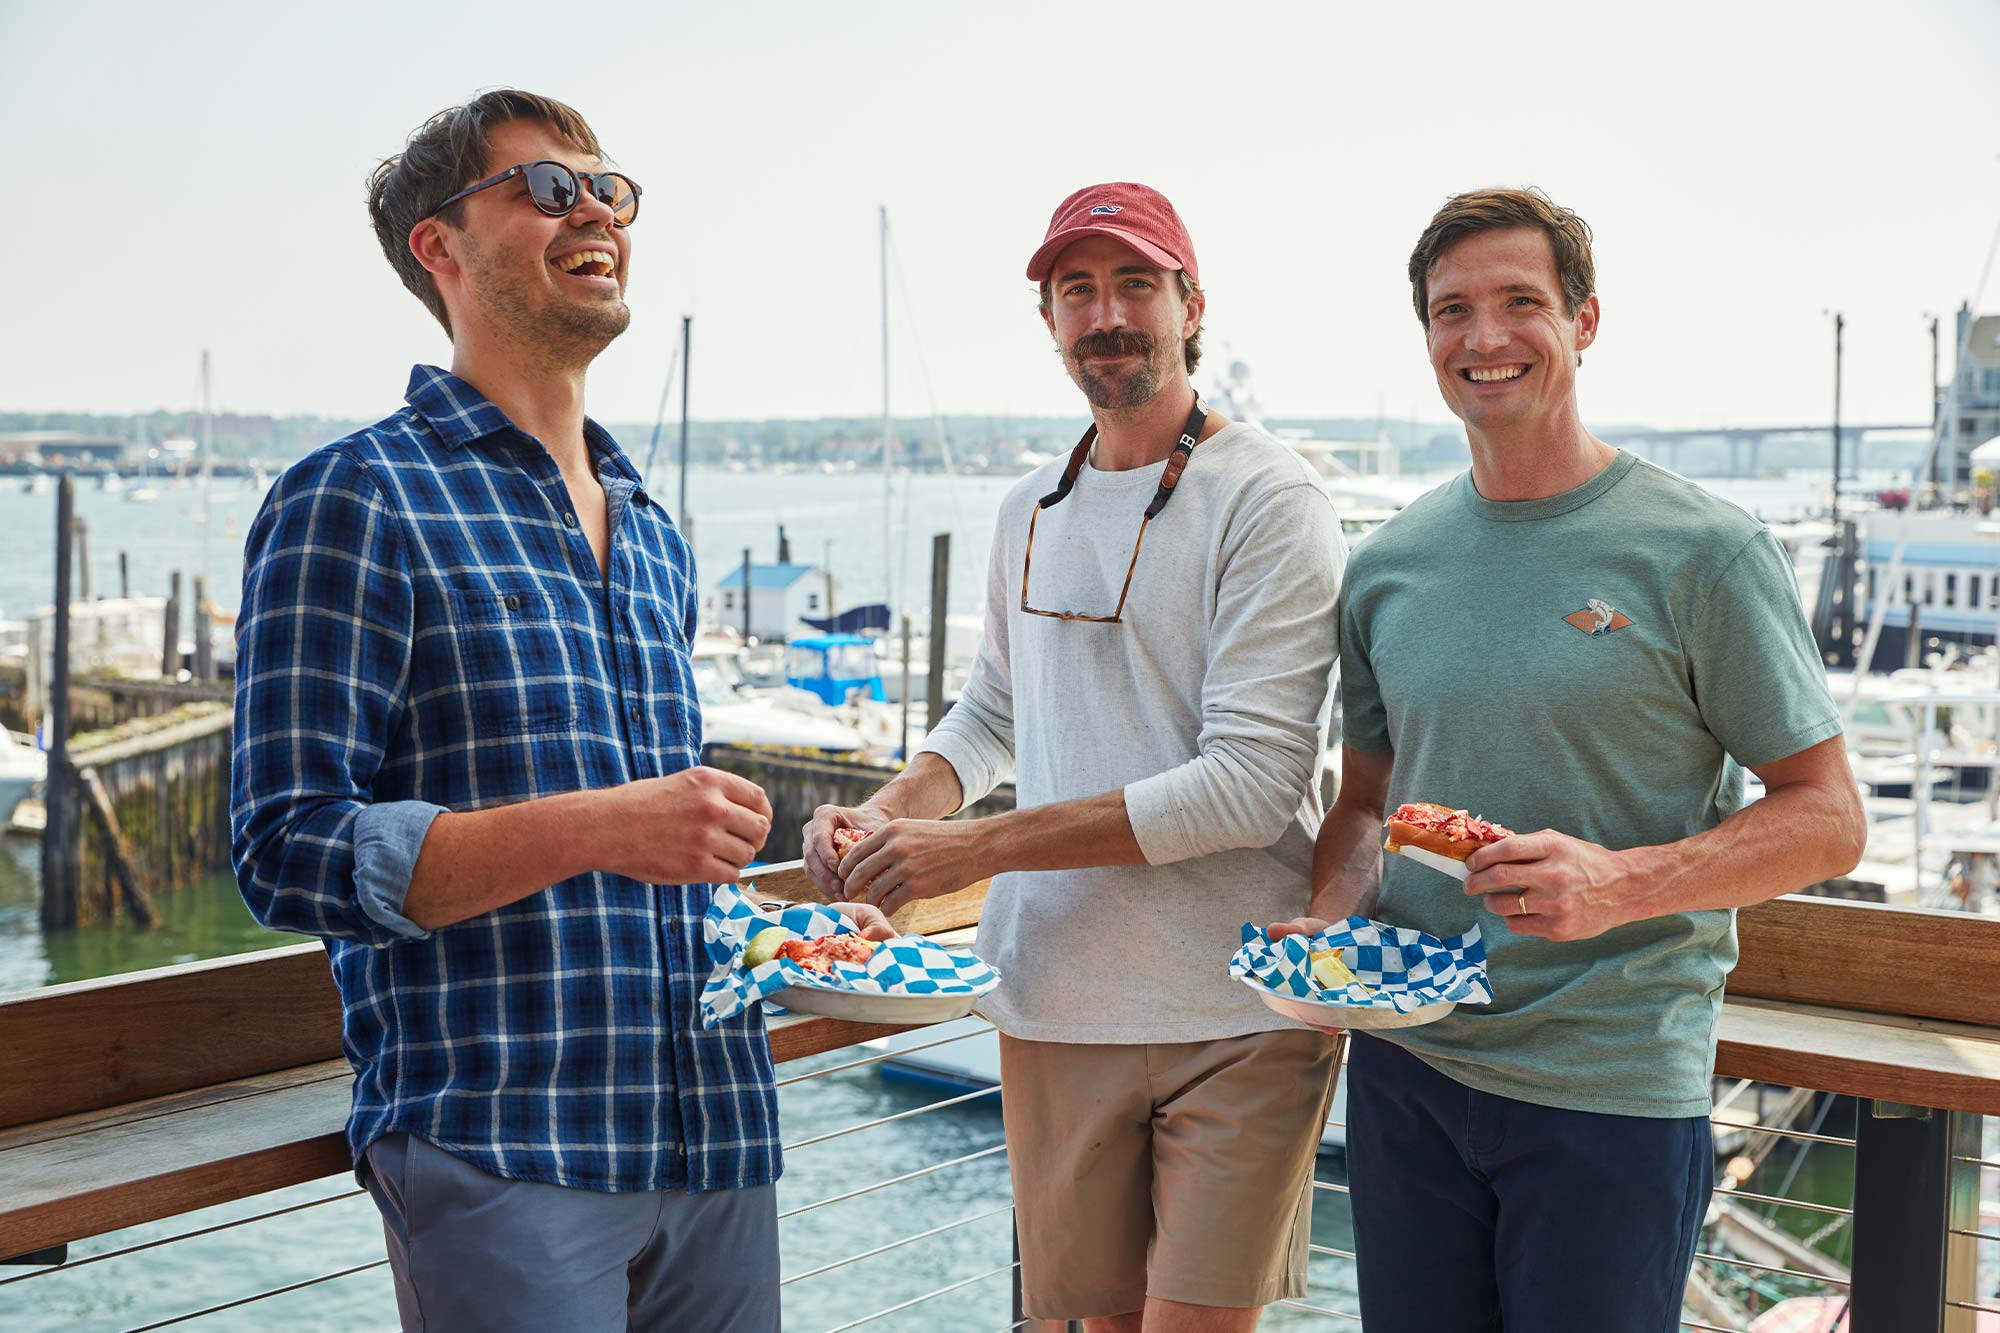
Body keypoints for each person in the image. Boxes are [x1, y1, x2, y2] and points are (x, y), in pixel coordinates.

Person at [230, 89, 889, 1332]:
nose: (592, 208)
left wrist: (784, 931)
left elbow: (655, 858)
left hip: (714, 1133)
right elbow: (284, 847)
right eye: (544, 189)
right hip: (501, 1146)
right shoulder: (355, 496)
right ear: (440, 246)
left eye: (607, 188)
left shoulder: (650, 528)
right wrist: (592, 827)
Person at [1273, 187, 1867, 1331]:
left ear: (1583, 321)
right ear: (1427, 339)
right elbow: (1363, 804)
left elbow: (1828, 816)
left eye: (1518, 303)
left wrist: (1615, 884)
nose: (1483, 338)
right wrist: (1334, 927)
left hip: (1610, 1086)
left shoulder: (1702, 551)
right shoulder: (1388, 562)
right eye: (1452, 311)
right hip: (1408, 1074)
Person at [803, 183, 1347, 1331]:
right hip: (1050, 998)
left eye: (1134, 283)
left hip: (1236, 1004)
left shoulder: (1269, 497)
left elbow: (1249, 787)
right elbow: (994, 710)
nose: (1106, 314)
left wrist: (973, 850)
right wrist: (887, 810)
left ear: (1191, 304)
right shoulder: (1028, 510)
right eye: (1076, 290)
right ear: (1048, 321)